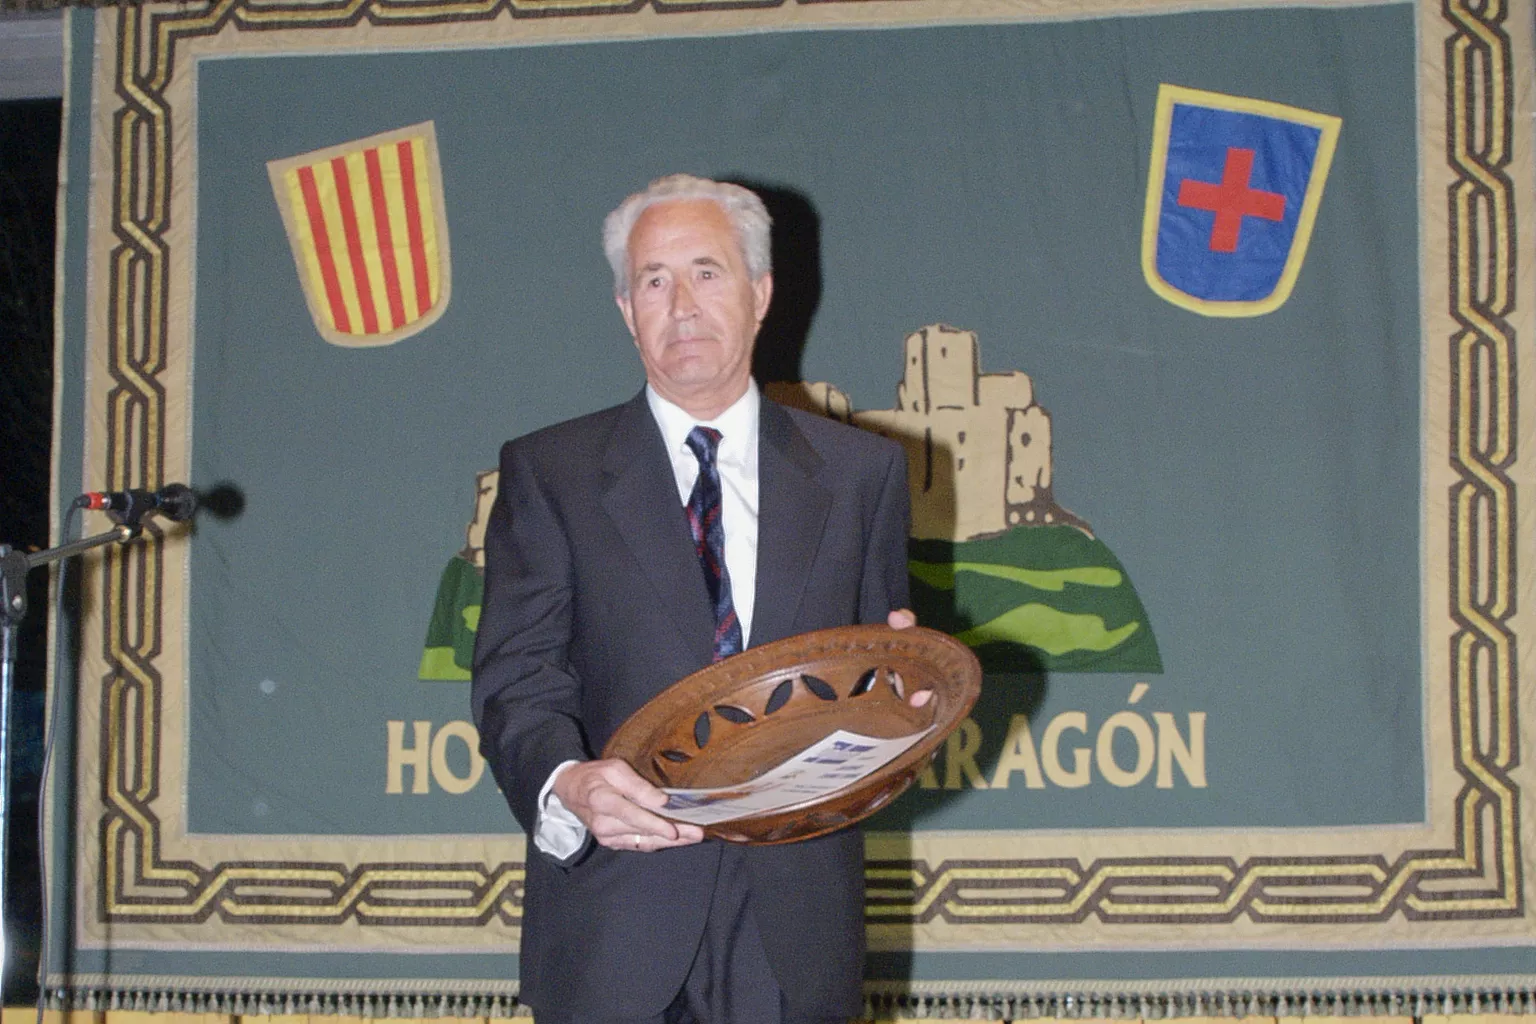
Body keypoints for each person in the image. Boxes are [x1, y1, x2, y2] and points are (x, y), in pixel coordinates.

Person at [471, 174, 916, 1024]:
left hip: (796, 926)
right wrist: (569, 784)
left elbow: (876, 689)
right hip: (617, 918)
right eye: (653, 279)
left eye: (707, 271)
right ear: (624, 309)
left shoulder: (864, 475)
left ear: (761, 294)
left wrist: (908, 708)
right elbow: (516, 682)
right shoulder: (550, 474)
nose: (680, 302)